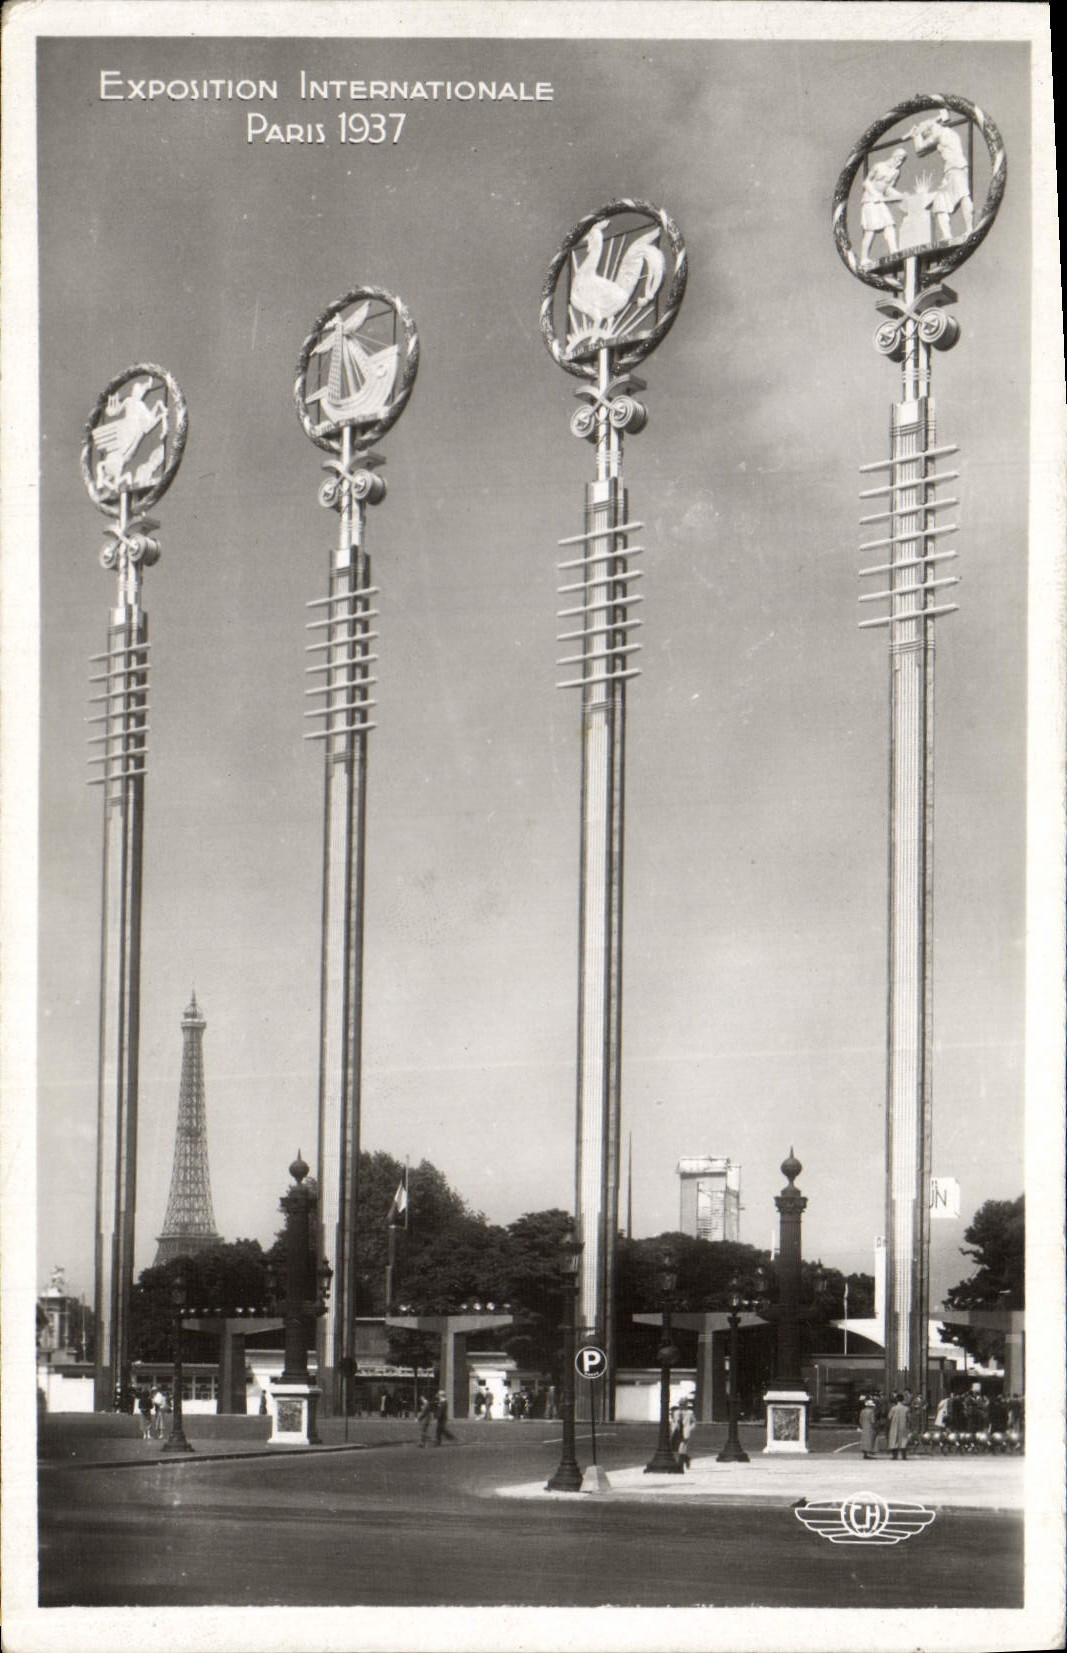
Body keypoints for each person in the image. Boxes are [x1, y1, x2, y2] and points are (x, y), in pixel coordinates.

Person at [859, 148, 906, 266]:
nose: (900, 161)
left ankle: (894, 250)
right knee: (871, 230)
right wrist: (874, 194)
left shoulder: (895, 172)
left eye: (902, 159)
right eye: (899, 157)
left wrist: (900, 195)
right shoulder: (879, 166)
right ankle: (864, 258)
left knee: (889, 224)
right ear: (894, 156)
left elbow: (888, 189)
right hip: (870, 199)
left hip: (880, 200)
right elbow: (866, 182)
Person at [887, 1392, 910, 1460]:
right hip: (903, 1425)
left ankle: (895, 1456)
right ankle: (904, 1456)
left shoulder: (893, 1408)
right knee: (903, 1439)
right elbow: (909, 1418)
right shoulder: (906, 1408)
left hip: (894, 1425)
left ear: (896, 1400)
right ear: (903, 1400)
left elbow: (889, 1417)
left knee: (894, 1439)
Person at [676, 1399, 698, 1471]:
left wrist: (690, 1428)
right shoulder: (676, 1413)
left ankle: (680, 1465)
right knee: (680, 1448)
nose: (681, 1406)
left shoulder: (690, 1413)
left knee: (682, 1447)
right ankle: (687, 1459)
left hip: (686, 1431)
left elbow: (694, 1422)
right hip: (678, 1432)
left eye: (683, 1405)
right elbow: (675, 1422)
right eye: (680, 1405)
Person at [859, 1393, 878, 1459]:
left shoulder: (862, 1411)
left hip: (864, 1426)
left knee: (864, 1440)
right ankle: (869, 1452)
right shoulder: (871, 1411)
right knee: (870, 1440)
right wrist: (875, 1427)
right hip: (870, 1427)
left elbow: (860, 1420)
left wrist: (861, 1425)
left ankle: (865, 1453)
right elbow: (872, 1420)